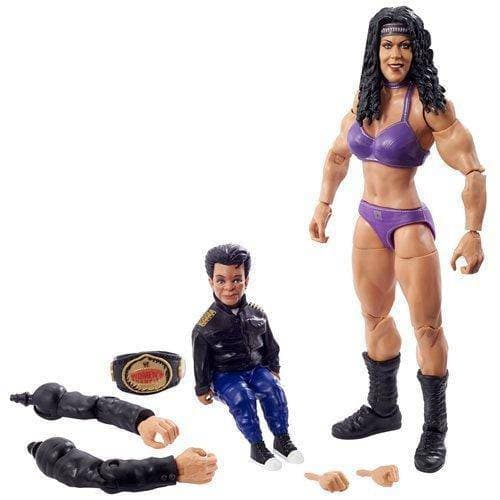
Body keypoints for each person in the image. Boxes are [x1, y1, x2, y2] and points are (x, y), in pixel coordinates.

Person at [309, 6, 486, 473]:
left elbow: (472, 170)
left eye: (404, 45)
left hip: (409, 224)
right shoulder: (364, 99)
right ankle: (383, 410)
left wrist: (473, 232)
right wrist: (324, 204)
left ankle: (434, 430)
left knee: (427, 328)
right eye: (387, 45)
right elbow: (337, 155)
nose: (395, 54)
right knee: (373, 316)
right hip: (367, 220)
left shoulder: (430, 106)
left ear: (416, 51)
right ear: (376, 50)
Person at [192, 243, 303, 470]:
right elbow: (200, 359)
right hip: (225, 375)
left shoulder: (257, 313)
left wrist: (273, 367)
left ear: (246, 280)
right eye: (221, 280)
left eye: (236, 280)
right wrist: (202, 388)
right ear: (211, 282)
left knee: (273, 390)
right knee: (242, 398)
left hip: (255, 368)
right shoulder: (205, 325)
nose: (229, 288)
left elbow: (270, 344)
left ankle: (282, 439)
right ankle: (257, 446)